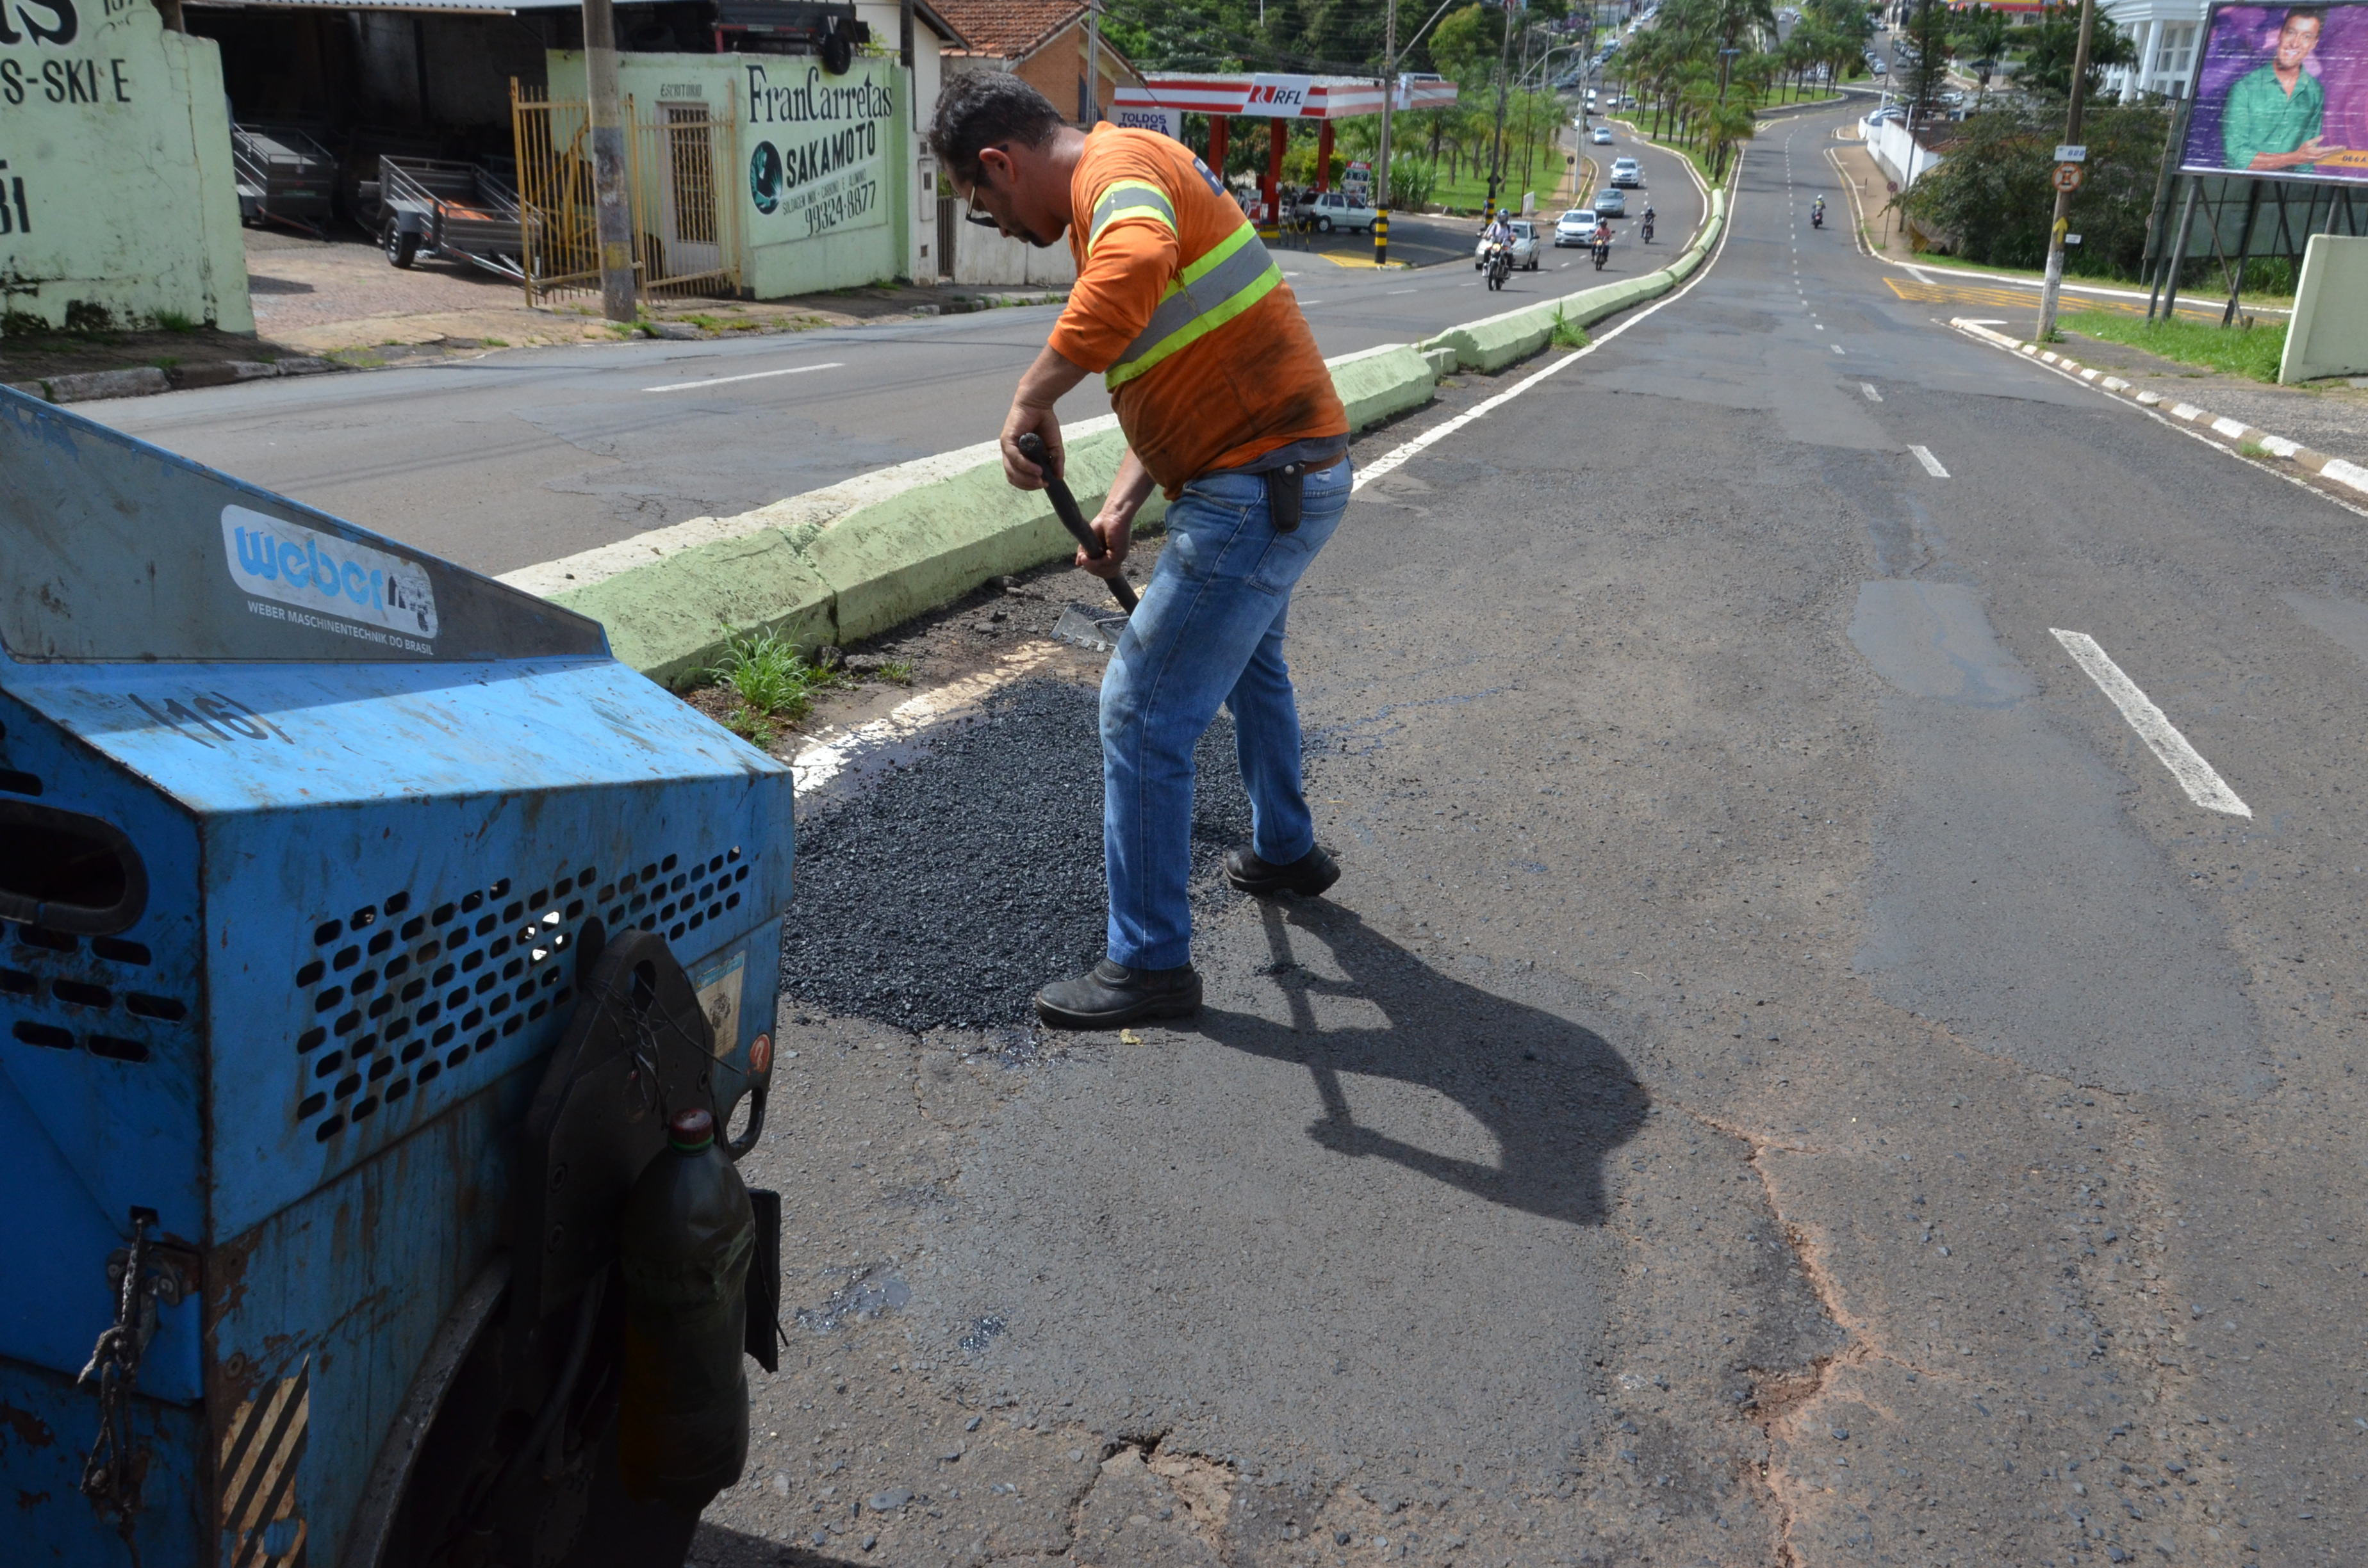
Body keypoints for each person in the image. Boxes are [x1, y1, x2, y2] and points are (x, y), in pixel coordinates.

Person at [929, 73, 1353, 1030]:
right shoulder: (1136, 168)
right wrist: (1123, 503)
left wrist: (1030, 398)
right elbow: (1176, 363)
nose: (993, 221)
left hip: (1256, 487)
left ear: (1001, 161)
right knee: (1252, 664)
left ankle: (1151, 963)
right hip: (1278, 473)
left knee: (1141, 710)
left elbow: (1130, 274)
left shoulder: (1115, 180)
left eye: (982, 201)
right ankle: (1287, 850)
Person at [2221, 7, 2351, 173]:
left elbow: (2306, 161)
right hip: (2238, 185)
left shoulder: (2315, 91)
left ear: (2314, 44)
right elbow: (2236, 158)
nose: (2295, 43)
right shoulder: (2244, 88)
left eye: (2306, 37)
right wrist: (2296, 158)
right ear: (2280, 34)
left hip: (2290, 189)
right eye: (2291, 33)